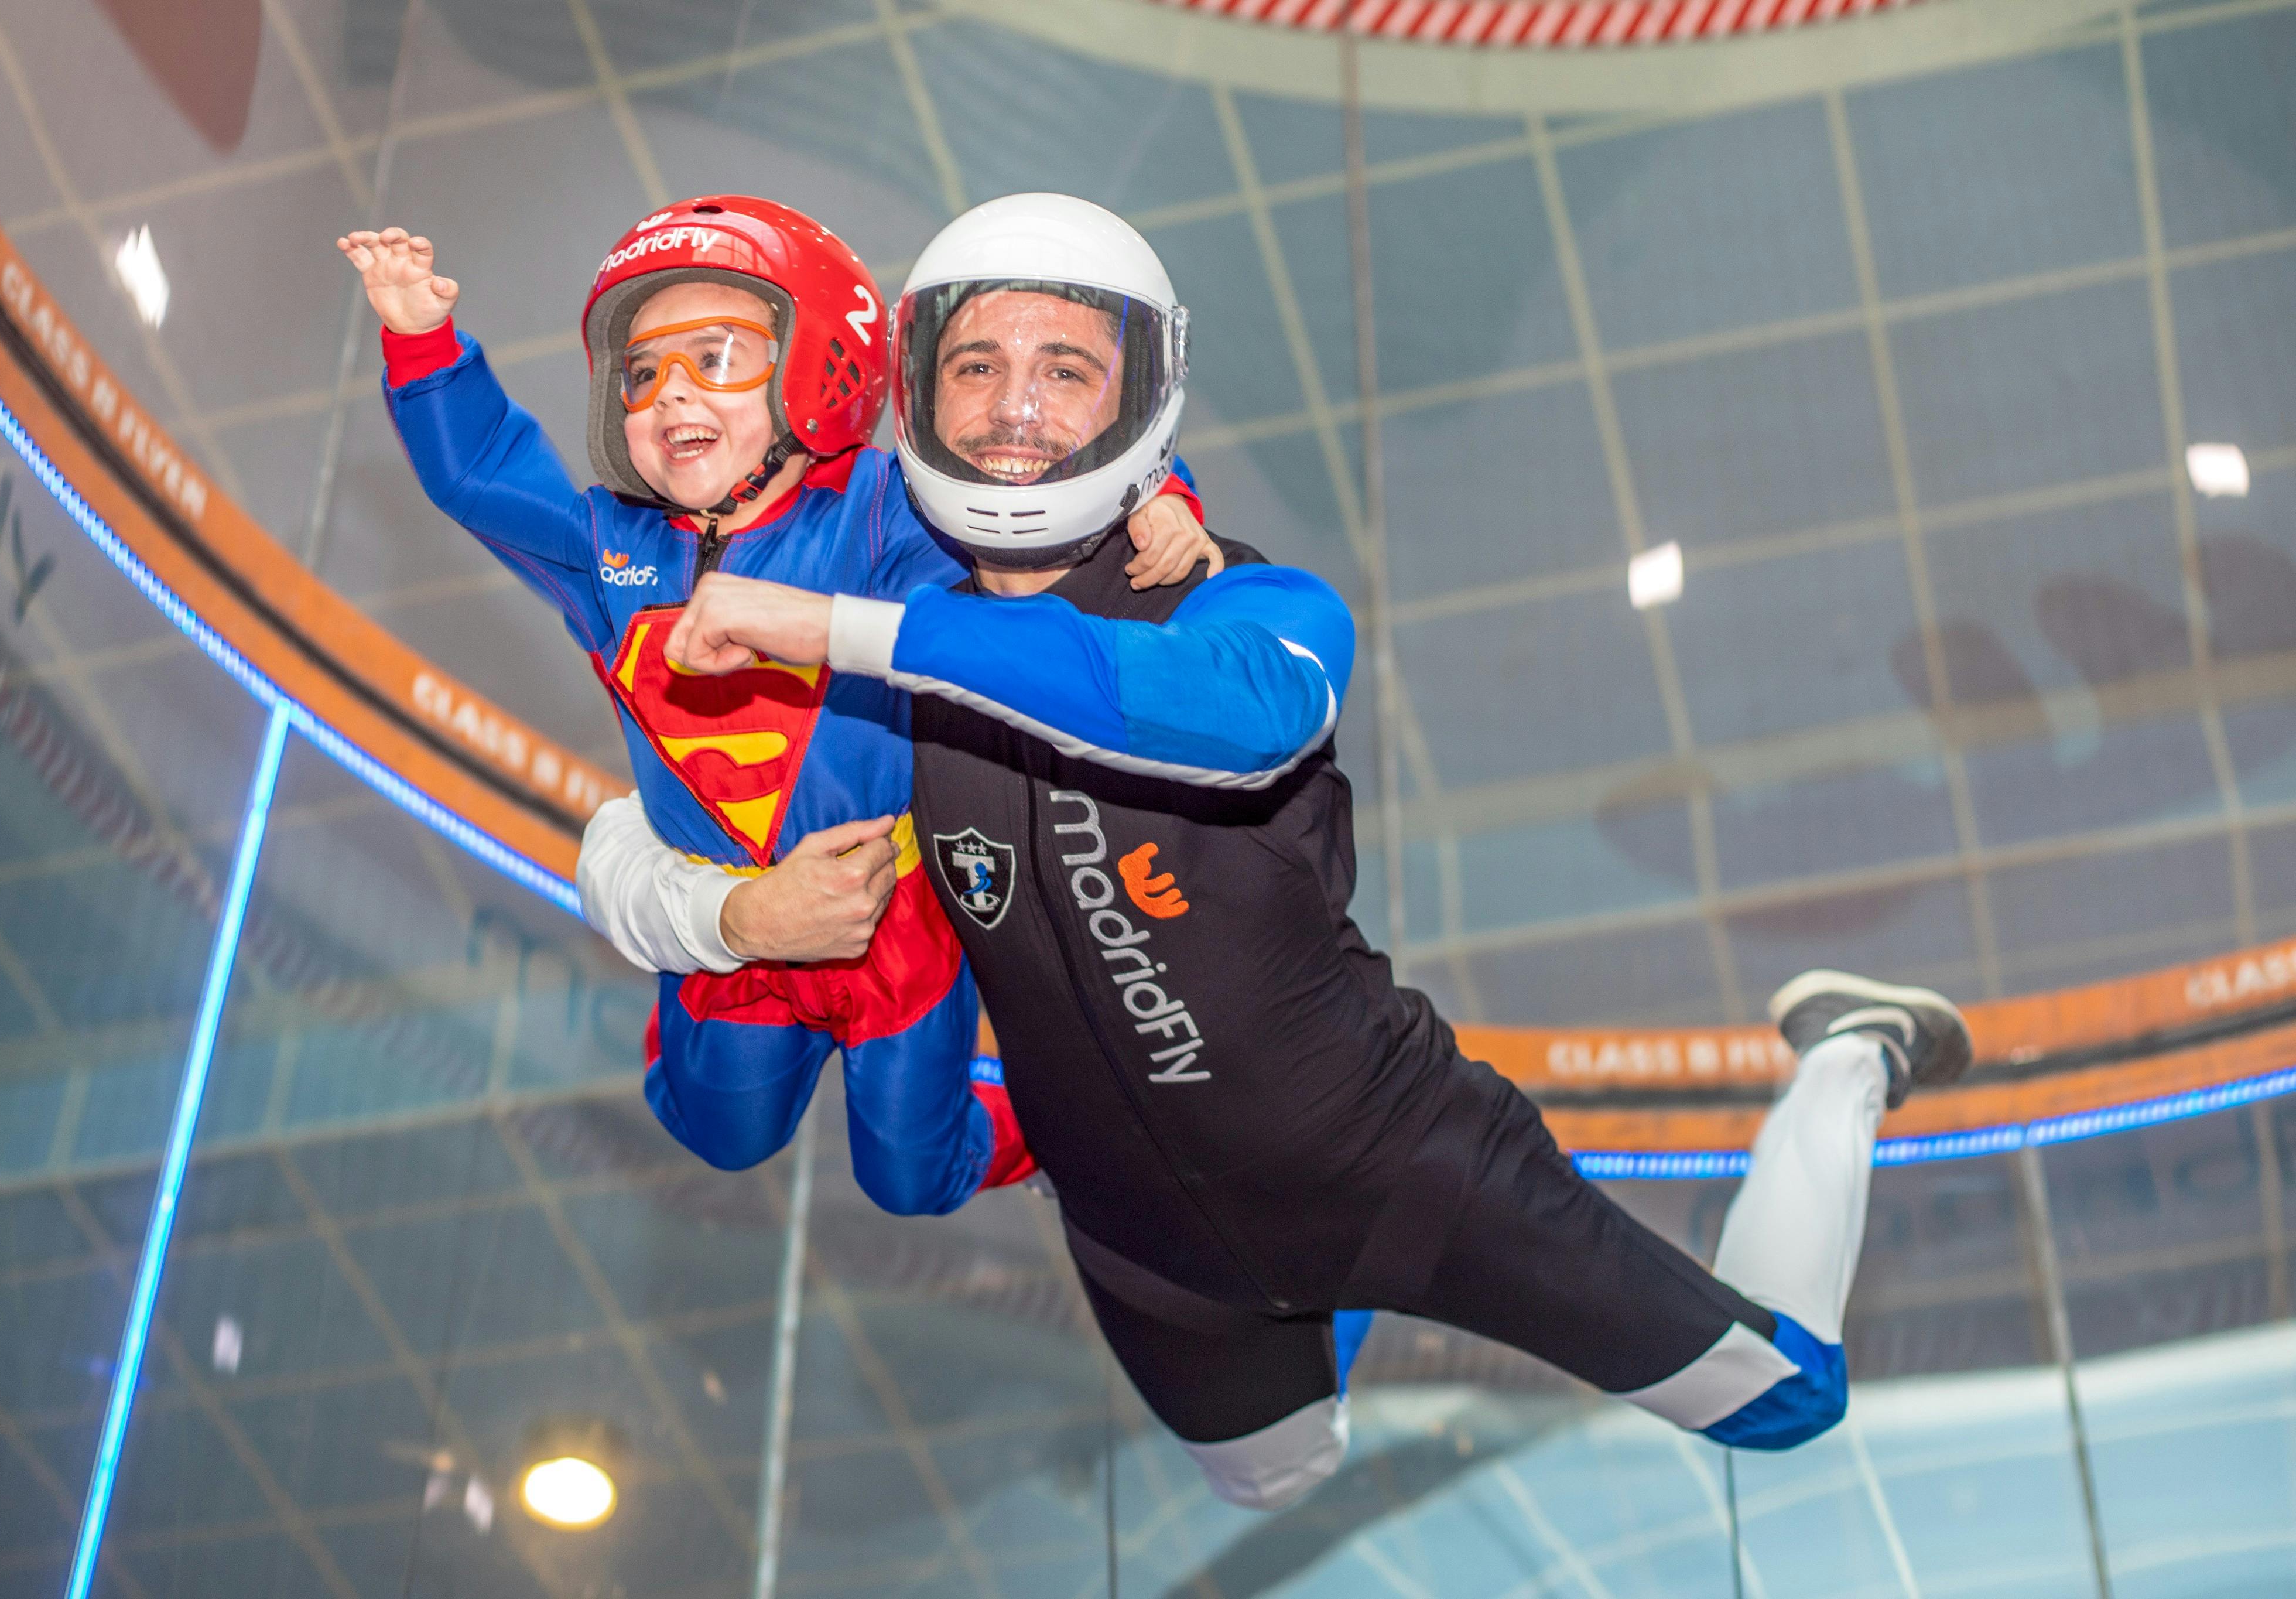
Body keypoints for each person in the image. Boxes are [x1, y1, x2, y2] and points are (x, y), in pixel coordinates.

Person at [587, 193, 1975, 1512]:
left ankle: (1848, 1056)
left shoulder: (1238, 601)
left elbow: (1239, 718)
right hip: (1151, 1253)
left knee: (1779, 1399)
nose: (1014, 403)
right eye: (975, 365)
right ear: (913, 392)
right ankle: (1315, 1302)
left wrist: (844, 632)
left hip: (1405, 1170)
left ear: (1136, 398)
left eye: (1066, 368)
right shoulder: (857, 646)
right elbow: (623, 835)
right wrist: (731, 919)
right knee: (1271, 1479)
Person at [337, 199, 1221, 1219]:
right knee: (722, 1129)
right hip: (735, 927)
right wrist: (424, 344)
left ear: (819, 365)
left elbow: (1039, 471)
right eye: (641, 373)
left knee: (912, 1176)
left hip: (897, 917)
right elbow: (482, 471)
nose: (670, 393)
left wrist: (1164, 494)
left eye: (714, 357)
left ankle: (1076, 1121)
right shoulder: (605, 550)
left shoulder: (889, 507)